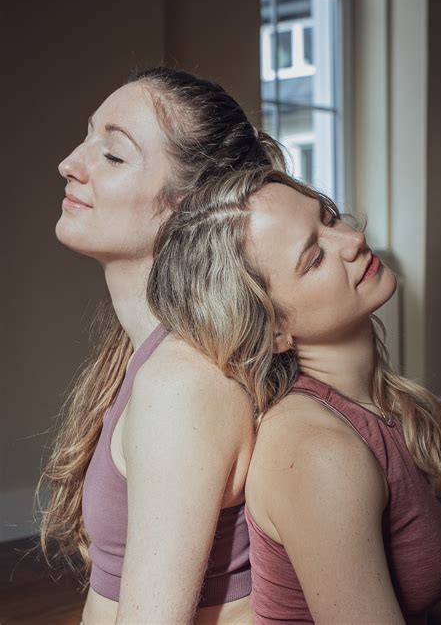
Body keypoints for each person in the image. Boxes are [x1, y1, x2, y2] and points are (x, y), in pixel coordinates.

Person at [147, 166, 441, 624]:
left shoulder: (368, 405)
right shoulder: (319, 453)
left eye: (329, 218)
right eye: (314, 258)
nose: (352, 240)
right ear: (275, 329)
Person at [36, 67, 286, 625]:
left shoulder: (182, 383)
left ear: (185, 206)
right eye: (87, 137)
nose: (70, 163)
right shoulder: (148, 352)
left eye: (113, 155)